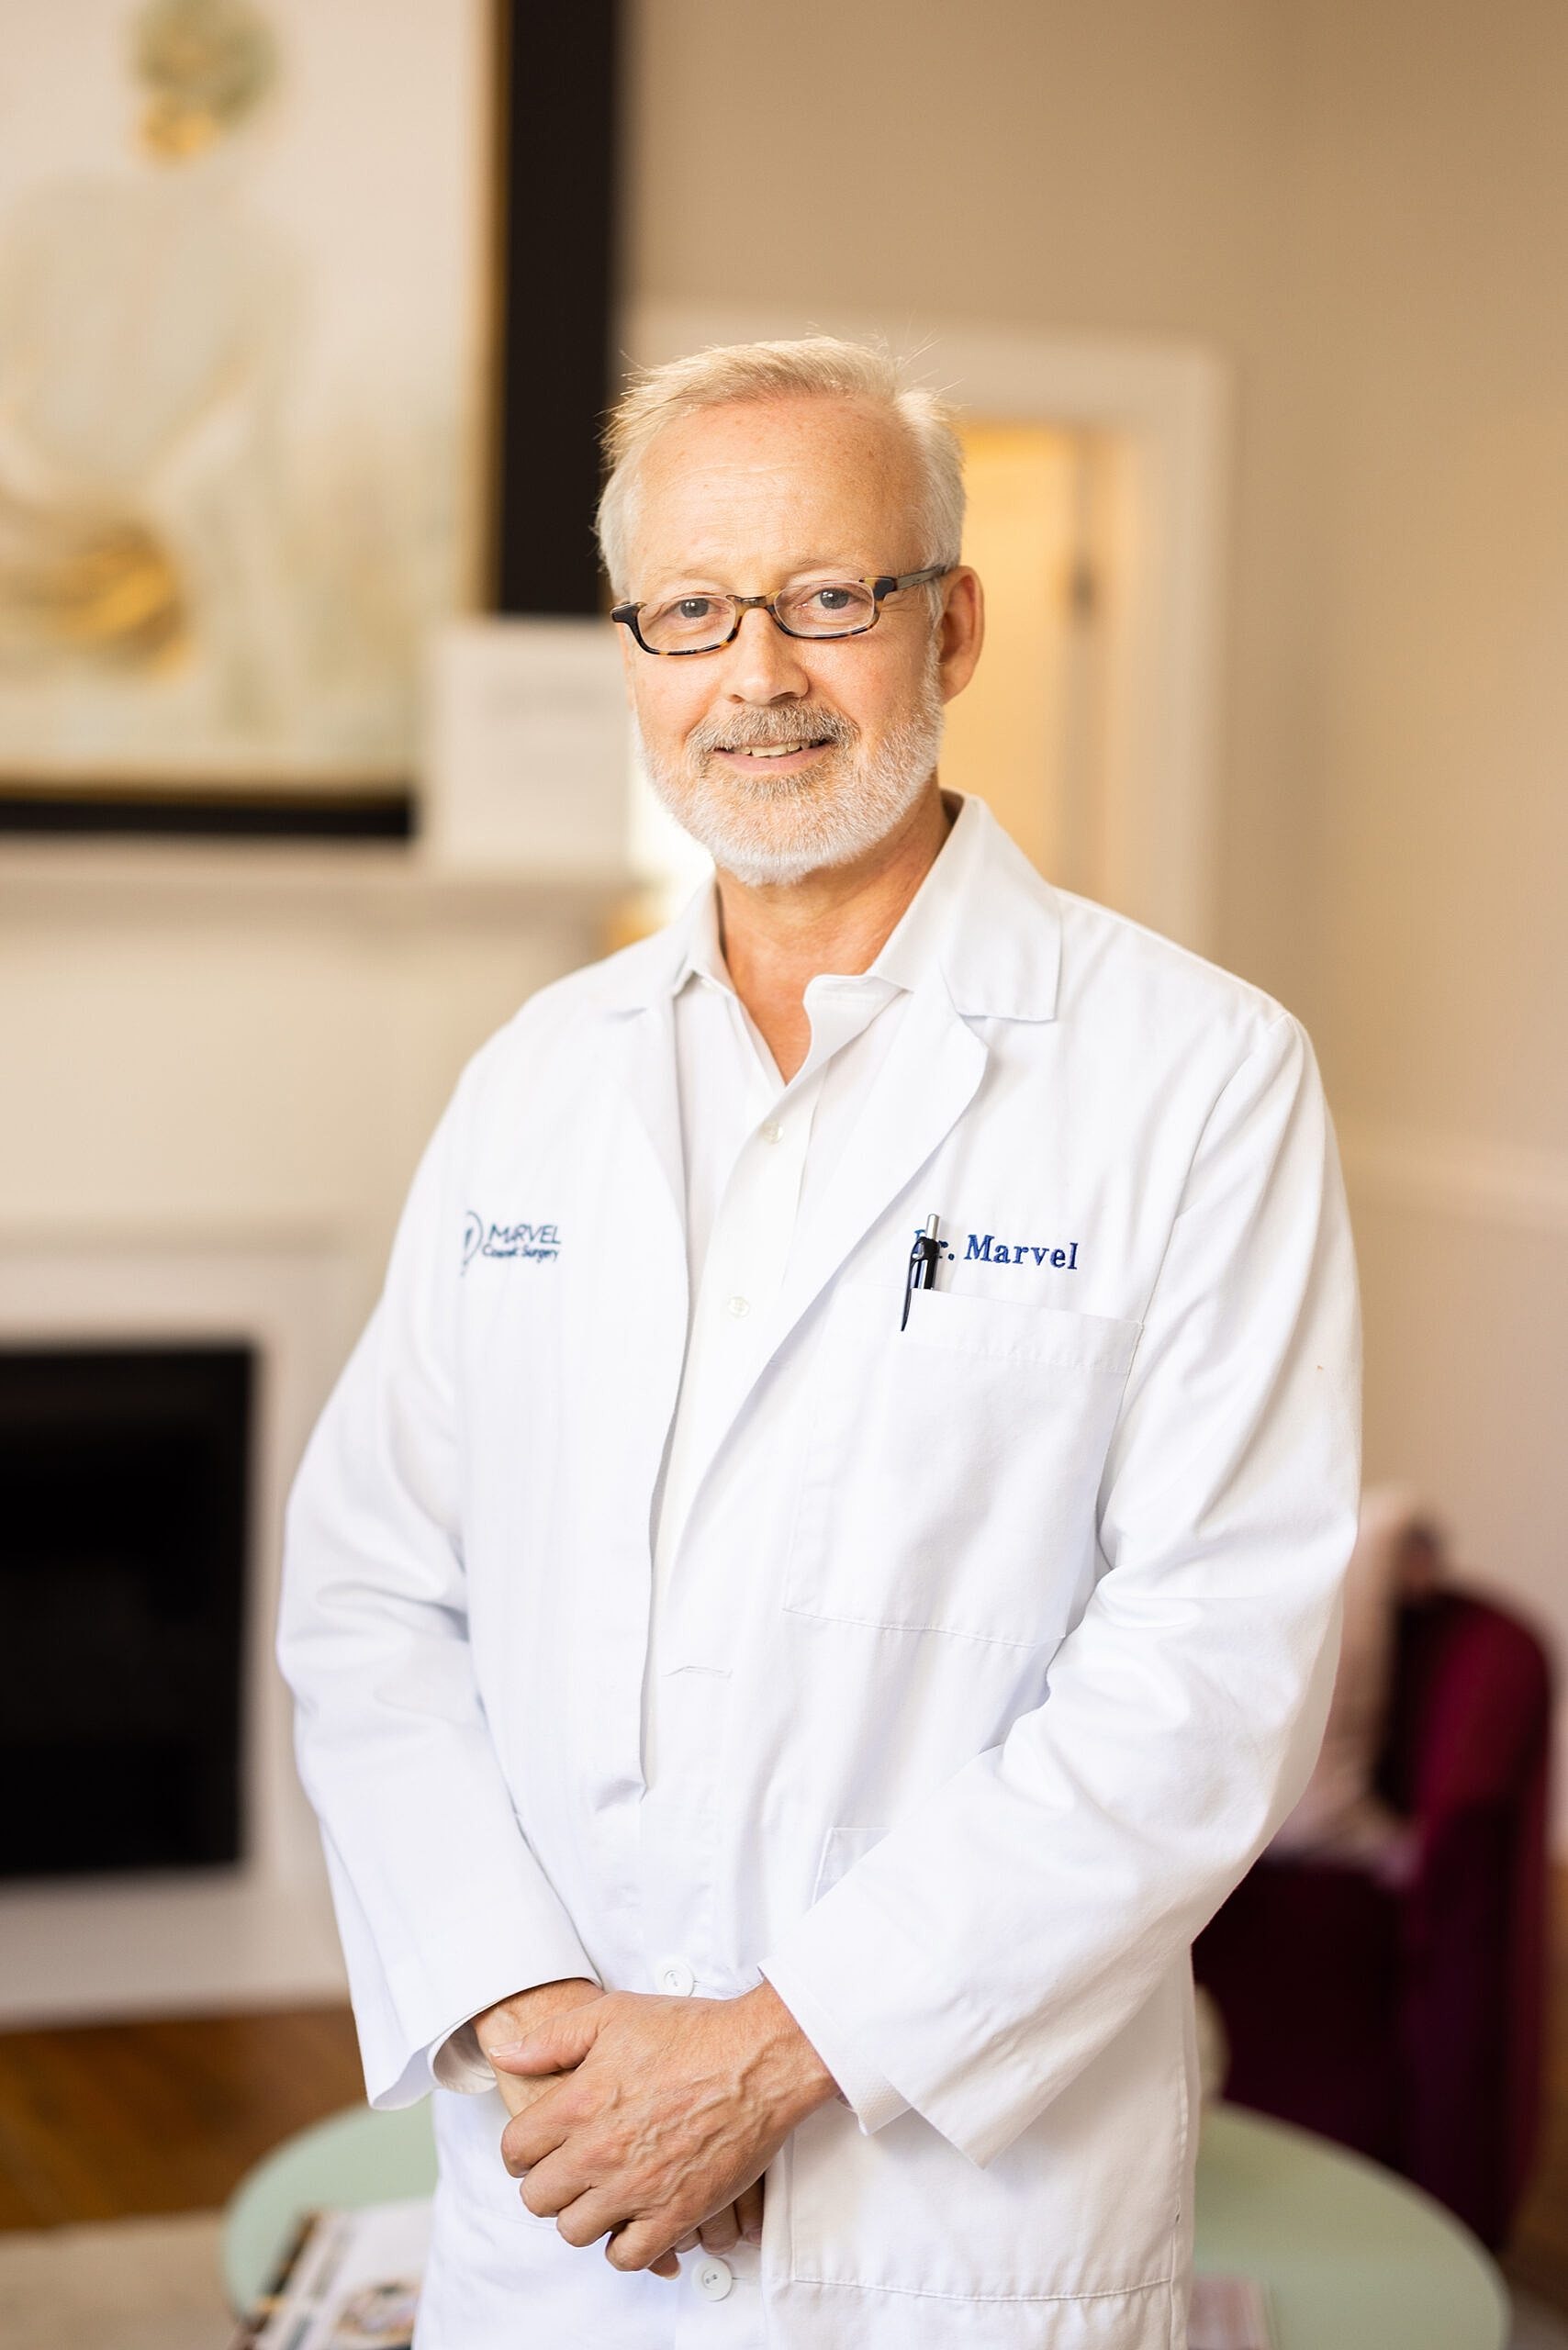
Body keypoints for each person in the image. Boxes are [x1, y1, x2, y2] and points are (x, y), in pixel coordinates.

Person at [277, 337, 1361, 2349]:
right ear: (633, 654)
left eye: (825, 596)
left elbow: (1209, 1669)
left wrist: (772, 2052)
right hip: (560, 2193)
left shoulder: (1196, 1075)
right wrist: (529, 2006)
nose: (752, 672)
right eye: (689, 609)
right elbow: (368, 1590)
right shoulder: (534, 1077)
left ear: (948, 624)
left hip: (950, 2218)